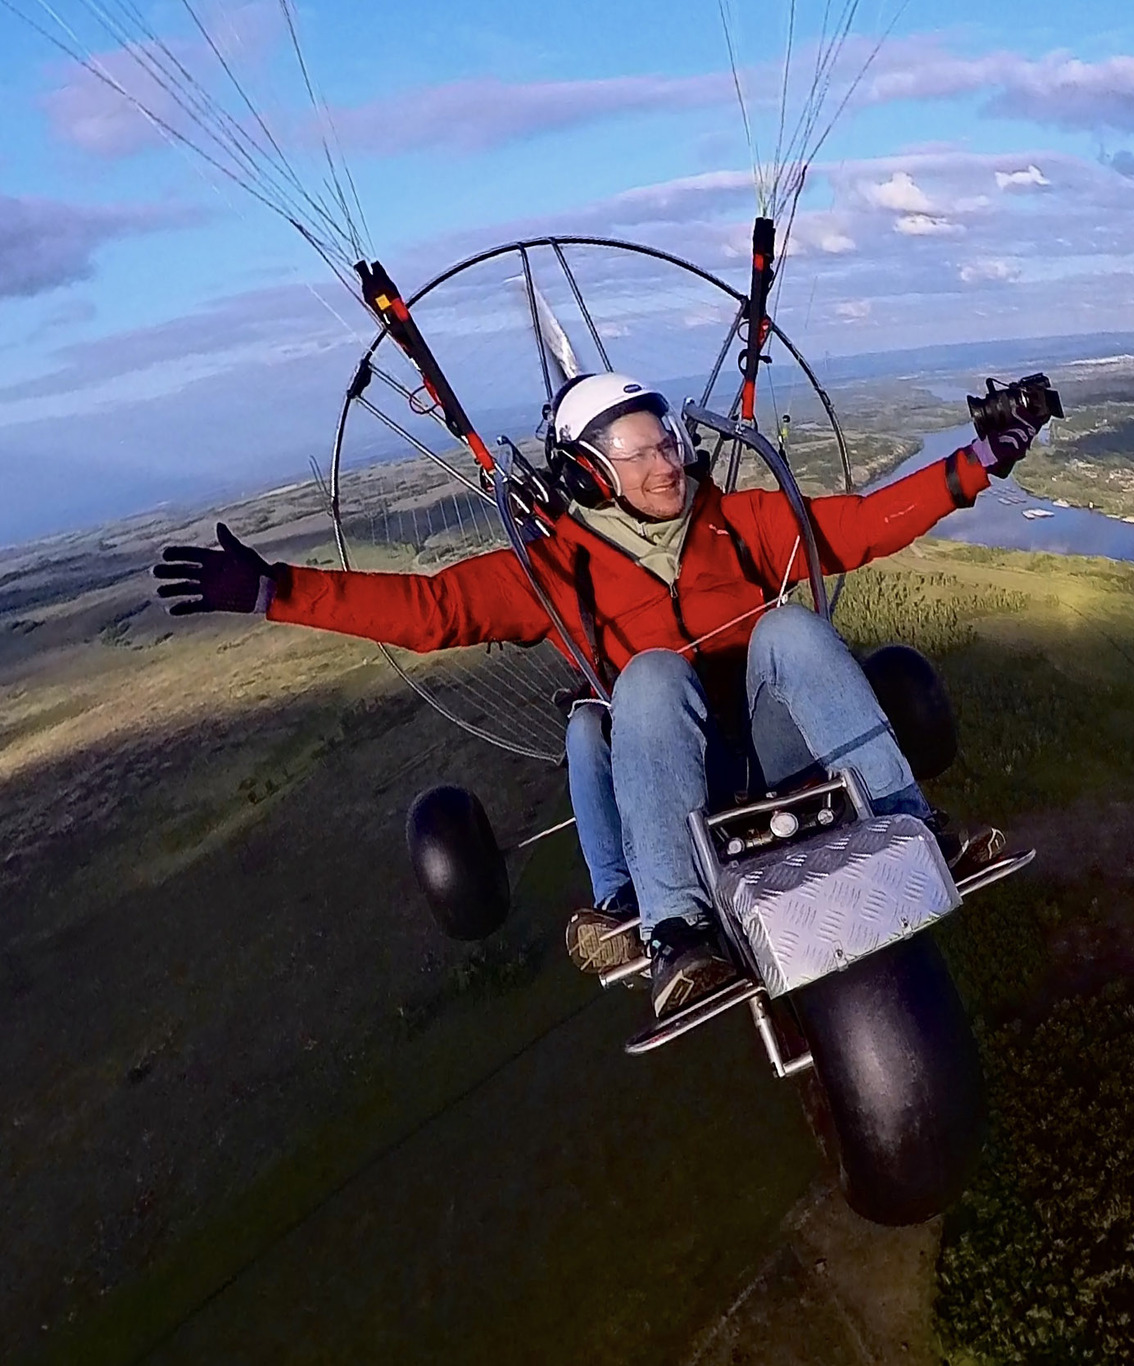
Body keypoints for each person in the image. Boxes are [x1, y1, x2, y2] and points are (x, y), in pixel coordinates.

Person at [155, 372, 1043, 1020]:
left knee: (793, 629)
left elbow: (856, 528)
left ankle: (910, 829)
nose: (667, 460)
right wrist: (277, 590)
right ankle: (675, 937)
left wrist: (978, 460)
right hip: (672, 772)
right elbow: (432, 610)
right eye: (642, 451)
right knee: (648, 673)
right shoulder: (554, 573)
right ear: (588, 475)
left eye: (668, 440)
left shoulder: (739, 523)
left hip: (773, 742)